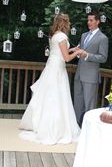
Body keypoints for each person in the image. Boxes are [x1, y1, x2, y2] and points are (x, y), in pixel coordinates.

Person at [19, 13, 82, 145]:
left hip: (51, 67)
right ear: (65, 23)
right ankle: (54, 128)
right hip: (58, 68)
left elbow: (59, 50)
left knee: (48, 96)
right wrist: (77, 52)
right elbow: (66, 58)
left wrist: (72, 48)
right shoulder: (63, 36)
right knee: (57, 97)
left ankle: (41, 123)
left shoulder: (54, 35)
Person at [74, 12, 108, 127]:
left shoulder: (103, 38)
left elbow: (103, 58)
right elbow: (80, 51)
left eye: (91, 20)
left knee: (89, 105)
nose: (89, 22)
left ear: (98, 21)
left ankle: (88, 128)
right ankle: (77, 126)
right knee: (77, 103)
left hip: (91, 76)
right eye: (88, 20)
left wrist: (87, 55)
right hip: (79, 74)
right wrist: (78, 53)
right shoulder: (83, 35)